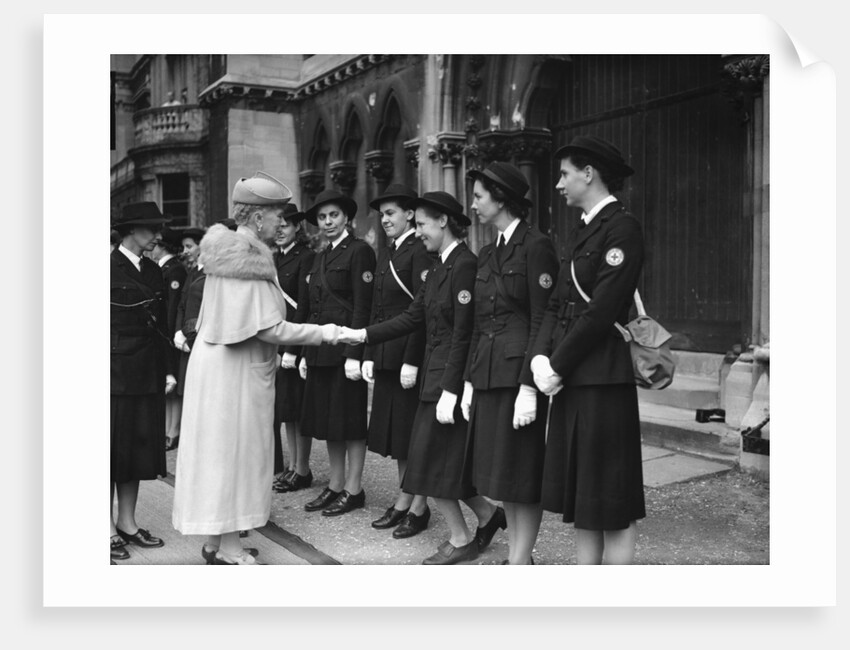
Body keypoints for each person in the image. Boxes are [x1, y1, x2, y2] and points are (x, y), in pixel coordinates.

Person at [171, 172, 341, 565]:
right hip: (234, 373)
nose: (282, 222)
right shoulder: (245, 260)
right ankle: (230, 547)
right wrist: (331, 333)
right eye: (277, 214)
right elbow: (270, 328)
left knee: (219, 455)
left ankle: (217, 540)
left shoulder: (230, 253)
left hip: (223, 367)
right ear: (258, 217)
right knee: (234, 457)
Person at [340, 191, 501, 565]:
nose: (420, 231)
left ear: (443, 221)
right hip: (434, 373)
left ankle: (461, 538)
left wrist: (454, 388)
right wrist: (364, 336)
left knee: (427, 463)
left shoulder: (463, 264)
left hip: (446, 378)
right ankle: (489, 515)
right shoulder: (440, 264)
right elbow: (414, 316)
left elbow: (464, 333)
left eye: (424, 224)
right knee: (435, 461)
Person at [530, 135, 646, 564]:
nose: (559, 184)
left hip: (602, 379)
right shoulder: (583, 230)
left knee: (610, 498)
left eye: (563, 174)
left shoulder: (622, 227)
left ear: (588, 173)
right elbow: (559, 303)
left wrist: (556, 365)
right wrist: (540, 359)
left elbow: (601, 311)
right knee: (584, 494)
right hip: (577, 377)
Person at [461, 162, 559, 565]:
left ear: (501, 199)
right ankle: (522, 558)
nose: (473, 205)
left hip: (517, 375)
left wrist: (528, 386)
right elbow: (478, 321)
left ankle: (520, 561)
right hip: (487, 374)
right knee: (504, 476)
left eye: (480, 196)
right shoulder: (488, 251)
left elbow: (543, 318)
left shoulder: (536, 246)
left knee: (522, 475)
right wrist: (468, 380)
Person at [299, 189, 376, 517]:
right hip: (321, 353)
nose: (327, 222)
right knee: (329, 422)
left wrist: (354, 354)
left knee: (351, 421)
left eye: (333, 216)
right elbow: (312, 308)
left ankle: (354, 489)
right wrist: (305, 351)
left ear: (346, 218)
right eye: (322, 217)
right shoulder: (321, 255)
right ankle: (335, 485)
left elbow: (363, 306)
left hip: (345, 352)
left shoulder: (359, 251)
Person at [362, 184, 433, 539]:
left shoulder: (419, 250)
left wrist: (411, 360)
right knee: (398, 435)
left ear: (409, 215)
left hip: (408, 356)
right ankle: (404, 497)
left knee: (410, 435)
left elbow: (420, 311)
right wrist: (371, 354)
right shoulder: (389, 251)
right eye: (383, 214)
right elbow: (378, 309)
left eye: (391, 213)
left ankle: (418, 505)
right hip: (388, 354)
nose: (385, 219)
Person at [110, 201, 175, 562]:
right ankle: (103, 528)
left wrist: (167, 370)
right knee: (108, 453)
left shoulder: (153, 269)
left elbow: (161, 327)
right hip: (114, 373)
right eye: (151, 228)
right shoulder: (106, 266)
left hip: (147, 372)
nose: (156, 235)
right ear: (132, 230)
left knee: (134, 451)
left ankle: (127, 523)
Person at [270, 203, 316, 494]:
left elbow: (304, 305)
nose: (280, 230)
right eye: (277, 225)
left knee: (299, 408)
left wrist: (292, 348)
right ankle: (291, 466)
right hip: (276, 340)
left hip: (293, 341)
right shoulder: (273, 258)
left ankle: (303, 468)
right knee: (285, 408)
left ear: (297, 226)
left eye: (285, 225)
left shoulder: (306, 257)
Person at [150, 227, 188, 451]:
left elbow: (172, 306)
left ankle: (173, 431)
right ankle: (167, 429)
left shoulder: (174, 270)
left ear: (162, 246)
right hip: (163, 333)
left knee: (173, 385)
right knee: (167, 386)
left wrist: (168, 333)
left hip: (169, 334)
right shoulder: (164, 268)